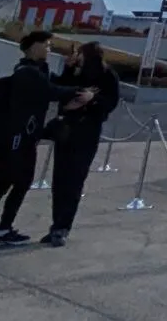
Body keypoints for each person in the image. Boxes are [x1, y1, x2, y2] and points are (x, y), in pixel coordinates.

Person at [0, 31, 81, 249]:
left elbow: (56, 84)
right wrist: (82, 92)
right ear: (33, 47)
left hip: (28, 137)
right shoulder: (26, 73)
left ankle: (4, 229)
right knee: (2, 184)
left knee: (22, 182)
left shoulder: (39, 71)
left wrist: (69, 69)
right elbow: (52, 91)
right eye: (46, 45)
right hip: (12, 138)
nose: (49, 49)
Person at [43, 40, 120, 246]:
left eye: (80, 54)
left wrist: (92, 99)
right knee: (59, 179)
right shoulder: (74, 72)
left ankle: (63, 226)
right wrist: (68, 69)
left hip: (87, 131)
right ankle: (56, 224)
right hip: (66, 129)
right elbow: (59, 88)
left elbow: (111, 102)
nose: (77, 57)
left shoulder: (107, 76)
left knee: (74, 180)